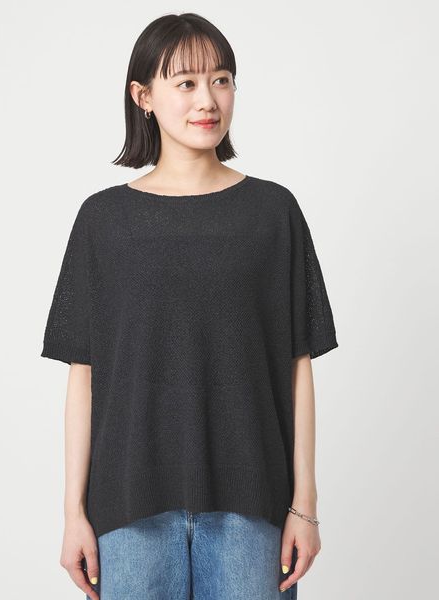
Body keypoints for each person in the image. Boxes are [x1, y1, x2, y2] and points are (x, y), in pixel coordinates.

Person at [40, 12, 338, 600]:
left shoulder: (272, 212)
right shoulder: (103, 221)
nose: (208, 99)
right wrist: (73, 512)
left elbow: (298, 365)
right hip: (128, 514)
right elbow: (84, 375)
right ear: (143, 96)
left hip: (252, 512)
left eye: (221, 80)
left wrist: (304, 506)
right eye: (186, 83)